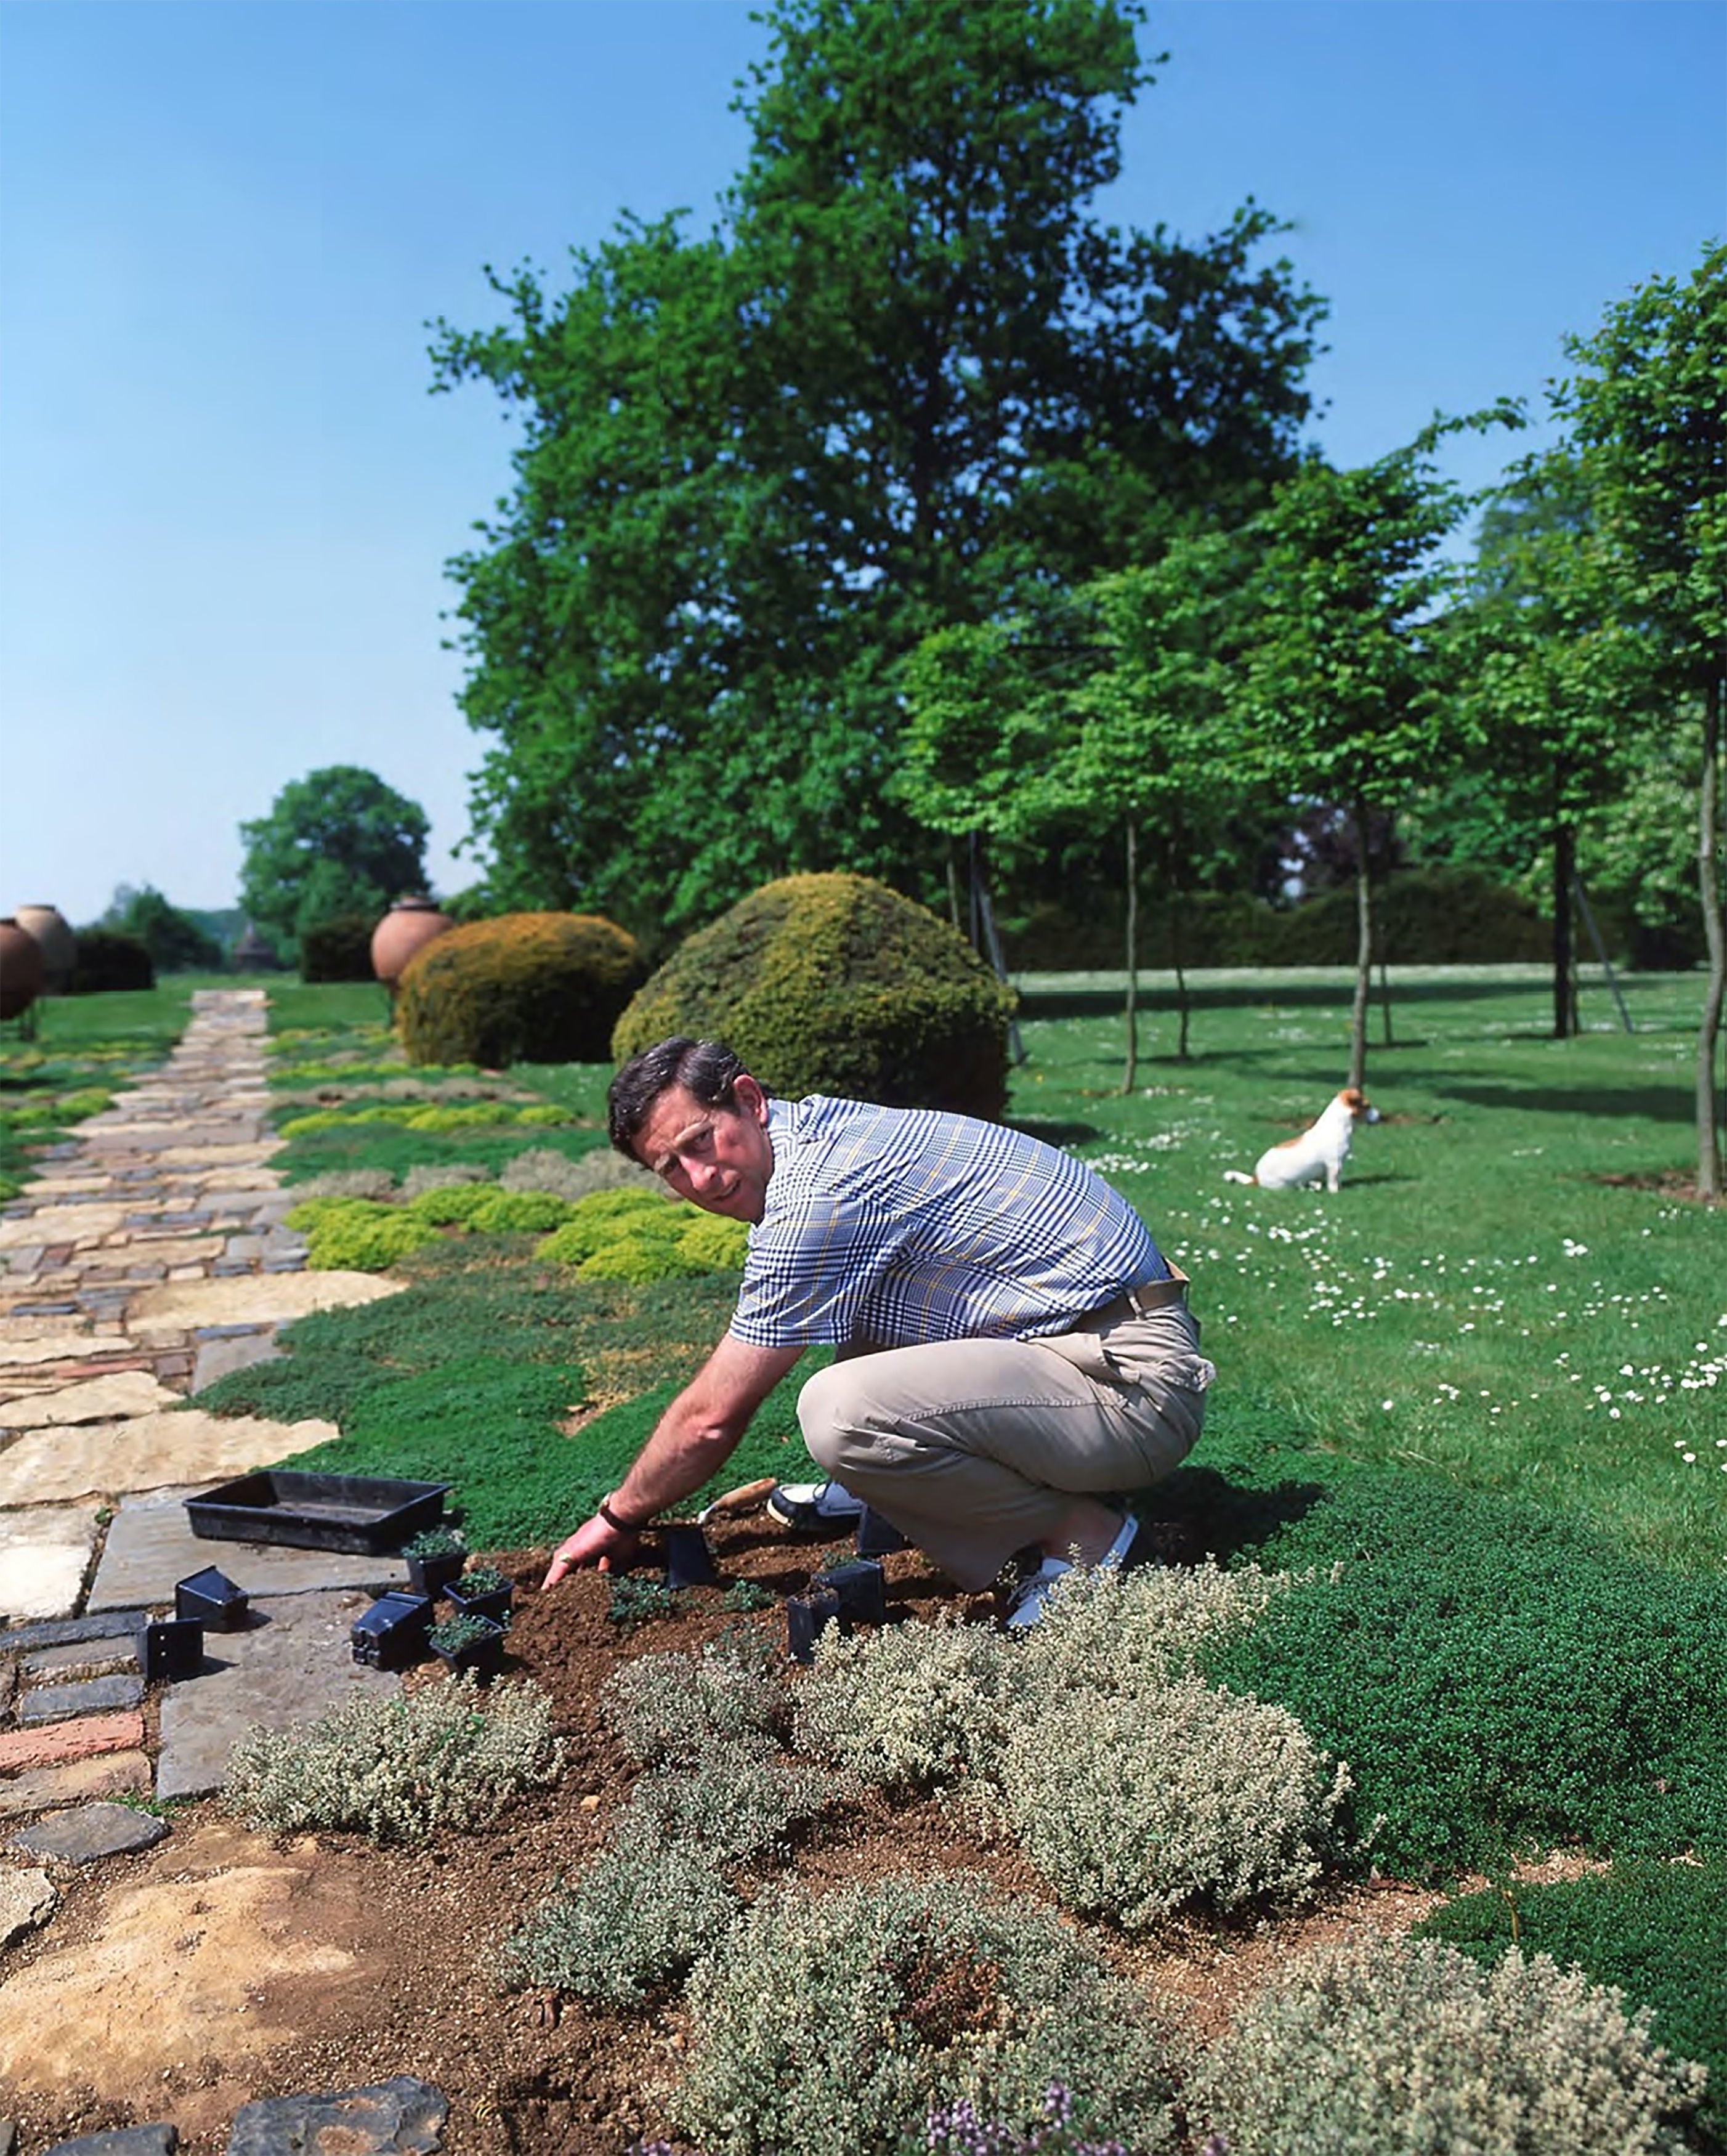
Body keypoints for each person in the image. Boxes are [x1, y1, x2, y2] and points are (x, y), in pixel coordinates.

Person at [540, 1035, 1213, 1624]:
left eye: (699, 1140)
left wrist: (618, 1515)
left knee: (840, 1411)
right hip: (1086, 1348)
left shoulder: (818, 1194)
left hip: (1134, 1391)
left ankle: (1087, 1538)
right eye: (671, 1168)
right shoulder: (821, 1133)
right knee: (869, 1309)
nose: (701, 1176)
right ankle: (886, 1490)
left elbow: (710, 1419)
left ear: (748, 1098)